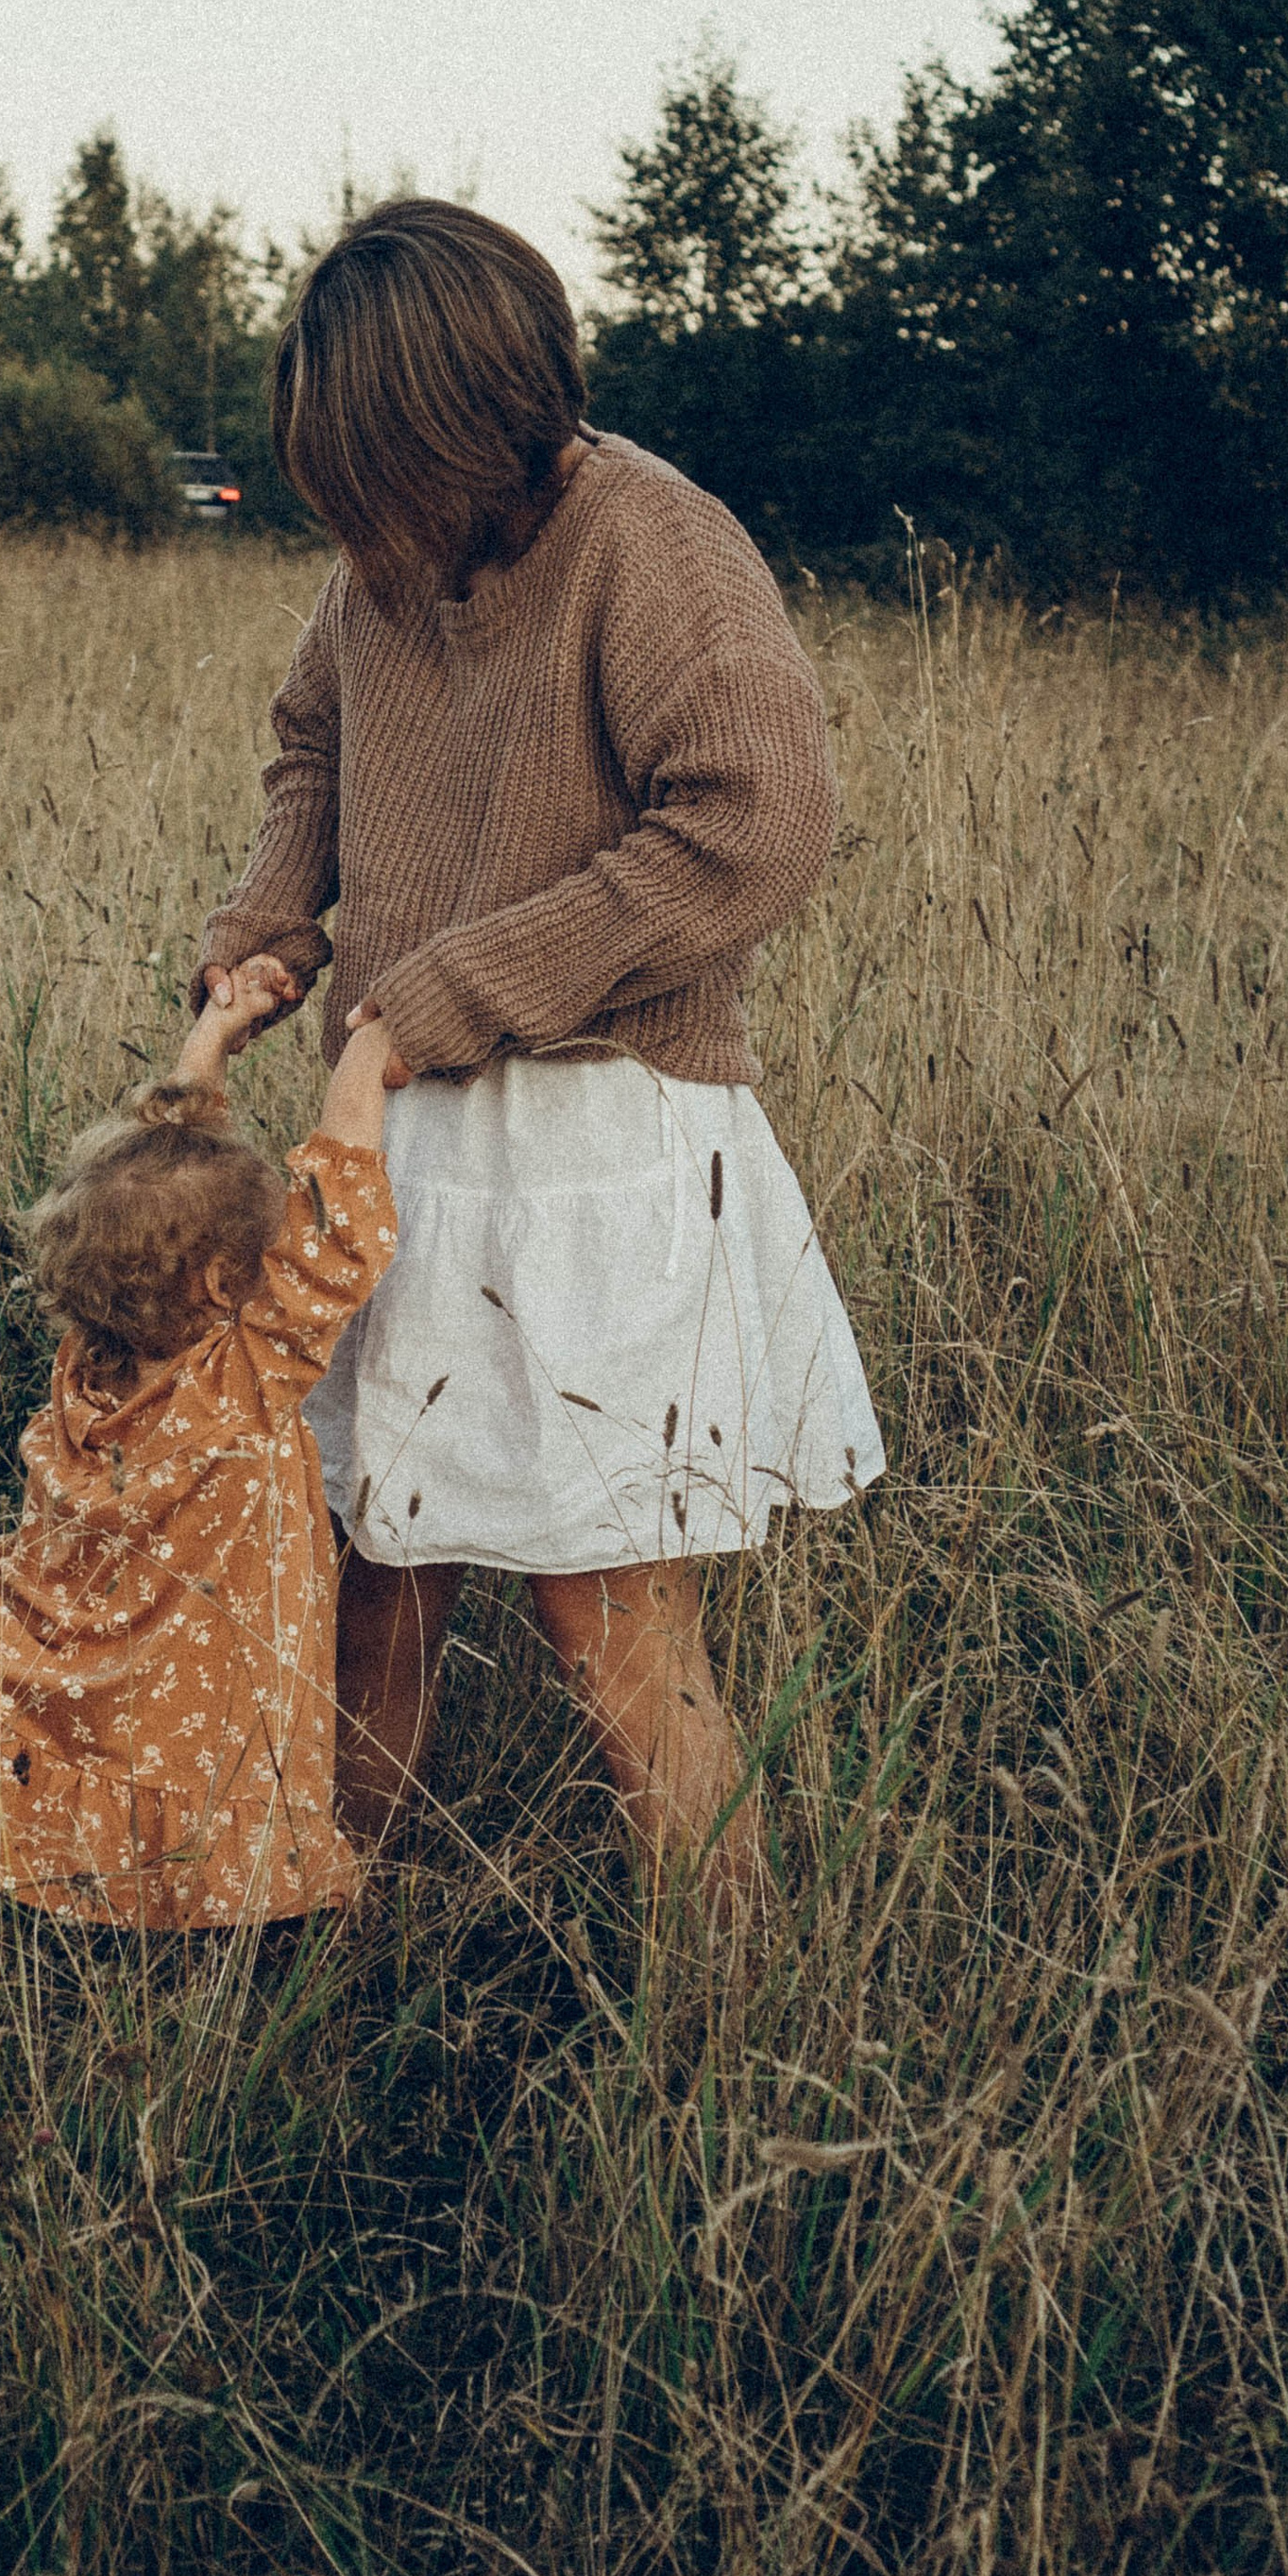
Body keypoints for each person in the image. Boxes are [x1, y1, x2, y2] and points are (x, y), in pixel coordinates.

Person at [195, 197, 884, 1903]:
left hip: (600, 1151)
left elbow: (760, 824)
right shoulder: (384, 554)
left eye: (375, 480)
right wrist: (277, 920)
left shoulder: (655, 541)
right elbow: (314, 747)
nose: (358, 529)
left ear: (470, 422)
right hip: (406, 1141)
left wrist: (457, 986)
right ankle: (329, 1951)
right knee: (366, 1568)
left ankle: (731, 2011)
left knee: (610, 1626)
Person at [0, 966, 398, 1932]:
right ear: (227, 1287)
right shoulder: (238, 1387)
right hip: (162, 1709)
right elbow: (337, 1225)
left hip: (47, 1644)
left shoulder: (86, 1366)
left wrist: (211, 1044)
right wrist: (372, 1046)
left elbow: (160, 1187)